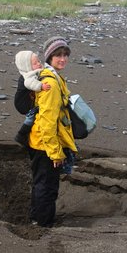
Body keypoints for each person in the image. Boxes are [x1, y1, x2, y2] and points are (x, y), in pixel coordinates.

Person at [27, 36, 78, 227]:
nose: (62, 59)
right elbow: (47, 122)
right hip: (45, 145)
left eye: (65, 55)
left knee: (42, 184)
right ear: (49, 57)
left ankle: (36, 219)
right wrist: (55, 153)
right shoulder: (52, 84)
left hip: (41, 143)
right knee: (47, 187)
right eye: (58, 55)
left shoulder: (53, 78)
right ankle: (43, 224)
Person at [13, 50, 51, 145]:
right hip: (23, 103)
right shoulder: (27, 76)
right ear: (27, 67)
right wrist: (41, 86)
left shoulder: (33, 72)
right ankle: (21, 135)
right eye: (35, 63)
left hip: (28, 99)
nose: (39, 64)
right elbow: (30, 84)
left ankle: (28, 133)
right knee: (31, 116)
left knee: (35, 114)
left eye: (39, 61)